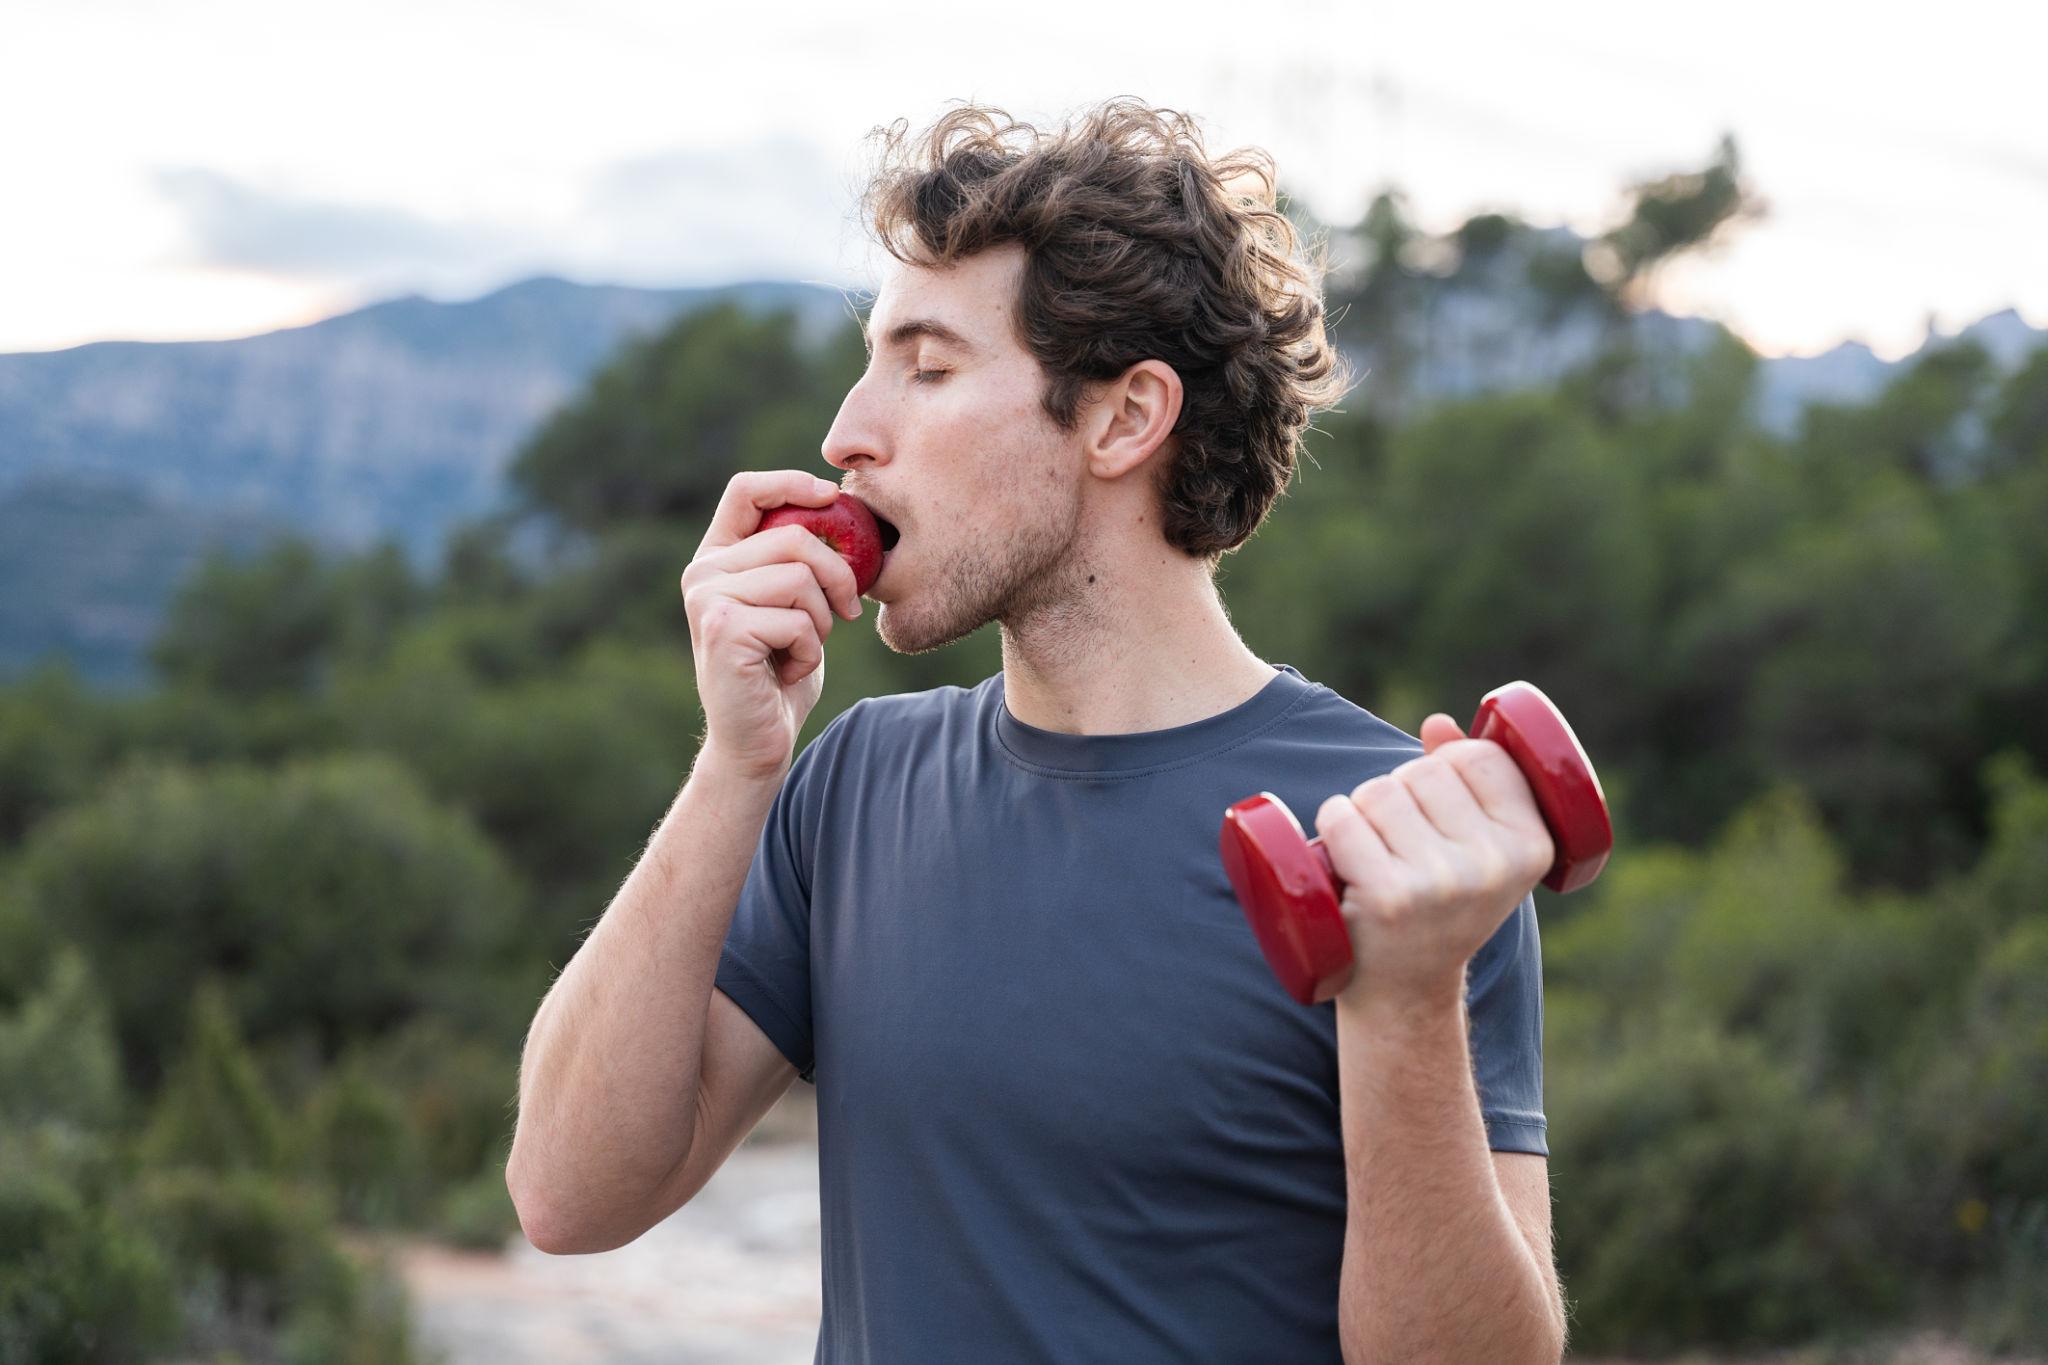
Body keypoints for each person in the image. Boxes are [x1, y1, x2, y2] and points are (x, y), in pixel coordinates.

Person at [507, 98, 1568, 1364]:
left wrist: (1404, 995)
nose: (845, 434)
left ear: (1122, 419)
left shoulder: (1401, 845)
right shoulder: (850, 786)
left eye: (926, 368)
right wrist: (735, 764)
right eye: (870, 362)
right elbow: (566, 1198)